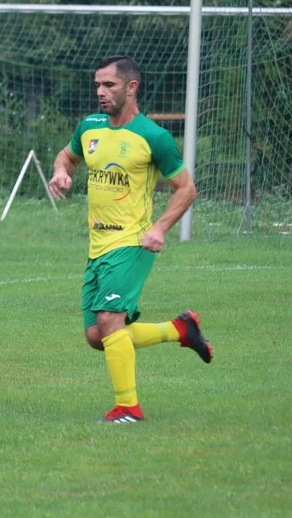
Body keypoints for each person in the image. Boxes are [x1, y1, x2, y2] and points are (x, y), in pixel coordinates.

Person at [47, 54, 213, 424]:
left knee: (109, 320)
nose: (101, 92)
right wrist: (61, 172)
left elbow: (186, 189)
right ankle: (179, 329)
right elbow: (67, 157)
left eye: (109, 85)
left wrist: (159, 228)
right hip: (97, 246)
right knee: (97, 336)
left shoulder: (153, 137)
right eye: (98, 85)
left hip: (132, 242)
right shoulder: (89, 127)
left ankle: (128, 408)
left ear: (131, 87)